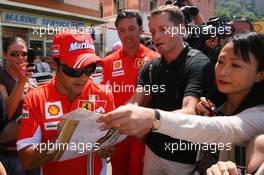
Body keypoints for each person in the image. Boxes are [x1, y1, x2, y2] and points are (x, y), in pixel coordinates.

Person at [97, 32, 264, 171]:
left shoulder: (259, 115)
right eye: (220, 62)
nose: (223, 71)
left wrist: (153, 118)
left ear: (260, 74)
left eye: (236, 65)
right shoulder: (213, 102)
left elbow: (223, 130)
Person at [119, 5, 212, 175]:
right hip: (152, 151)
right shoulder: (150, 67)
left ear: (181, 28)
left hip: (182, 158)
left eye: (163, 29)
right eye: (153, 32)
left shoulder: (198, 63)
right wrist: (108, 118)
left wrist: (150, 119)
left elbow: (189, 111)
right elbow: (135, 101)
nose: (157, 37)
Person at [16, 31, 115, 175]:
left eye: (89, 68)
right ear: (54, 64)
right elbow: (26, 159)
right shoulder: (35, 99)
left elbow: (110, 142)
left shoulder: (104, 94)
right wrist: (61, 140)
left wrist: (107, 148)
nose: (83, 77)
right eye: (74, 70)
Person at [100, 9, 159, 175]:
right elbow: (104, 96)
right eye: (122, 30)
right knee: (118, 171)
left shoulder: (155, 59)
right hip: (116, 132)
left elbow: (157, 95)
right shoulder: (108, 62)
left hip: (142, 132)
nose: (127, 35)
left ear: (141, 30)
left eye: (132, 29)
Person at [0, 37, 37, 175]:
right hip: (10, 153)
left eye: (24, 54)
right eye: (14, 54)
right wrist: (21, 84)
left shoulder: (29, 77)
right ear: (4, 54)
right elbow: (6, 113)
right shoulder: (2, 77)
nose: (20, 57)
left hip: (31, 147)